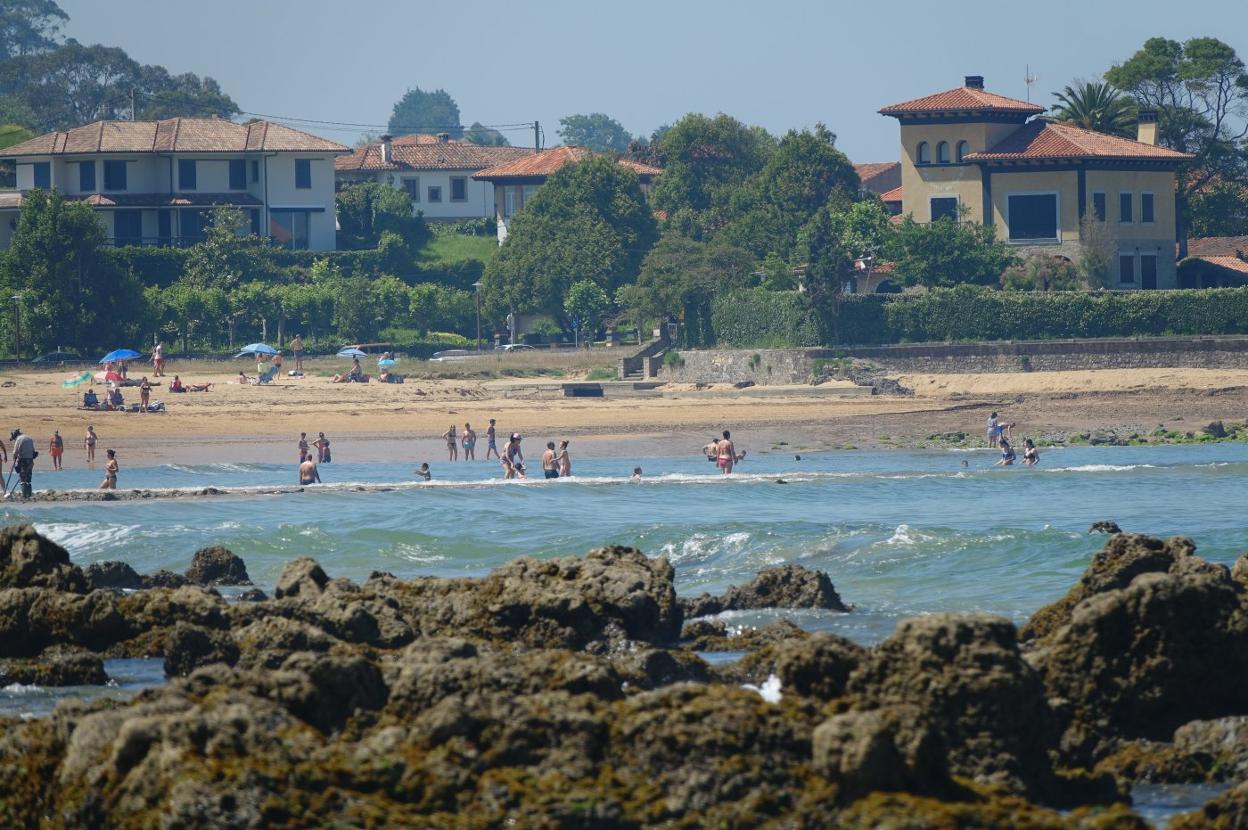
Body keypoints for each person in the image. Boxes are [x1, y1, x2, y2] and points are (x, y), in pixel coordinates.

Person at [10, 429, 36, 498]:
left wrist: (14, 459)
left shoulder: (18, 439)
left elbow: (15, 451)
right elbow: (33, 451)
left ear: (15, 436)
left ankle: (24, 495)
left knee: (22, 478)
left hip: (22, 460)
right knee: (28, 479)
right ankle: (29, 495)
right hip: (30, 460)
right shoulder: (29, 438)